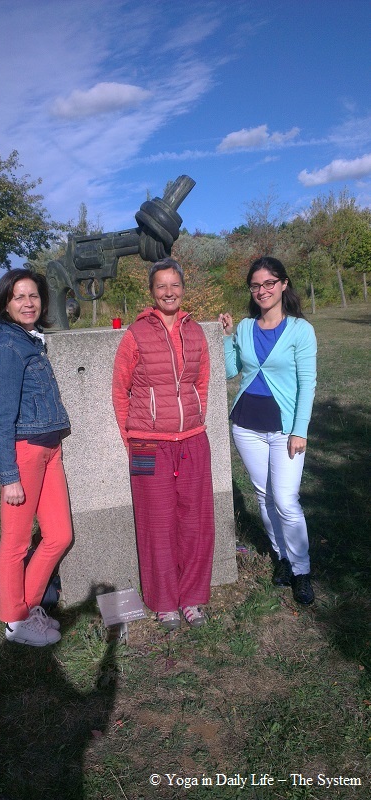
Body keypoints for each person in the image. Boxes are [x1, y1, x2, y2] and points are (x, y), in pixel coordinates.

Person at [112, 257, 215, 630]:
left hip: (193, 440)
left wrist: (195, 418)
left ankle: (191, 599)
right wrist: (131, 440)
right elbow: (120, 390)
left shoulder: (196, 332)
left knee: (195, 523)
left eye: (175, 285)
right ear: (152, 291)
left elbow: (201, 382)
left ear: (182, 288)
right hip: (146, 445)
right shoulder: (135, 334)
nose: (169, 292)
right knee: (155, 523)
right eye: (161, 286)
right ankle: (164, 602)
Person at [219, 256, 317, 605]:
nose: (262, 290)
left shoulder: (300, 330)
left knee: (286, 500)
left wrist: (300, 430)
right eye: (255, 285)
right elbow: (231, 371)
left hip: (284, 429)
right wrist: (228, 338)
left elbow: (307, 384)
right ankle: (283, 558)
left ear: (283, 284)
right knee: (264, 497)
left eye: (269, 283)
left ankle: (302, 570)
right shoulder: (246, 327)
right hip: (246, 425)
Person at [0, 268, 73, 646]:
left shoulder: (30, 340)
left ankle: (25, 608)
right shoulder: (7, 346)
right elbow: (1, 418)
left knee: (59, 535)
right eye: (18, 296)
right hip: (25, 453)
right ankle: (14, 622)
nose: (28, 303)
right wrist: (9, 476)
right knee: (16, 542)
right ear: (5, 303)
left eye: (33, 295)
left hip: (50, 449)